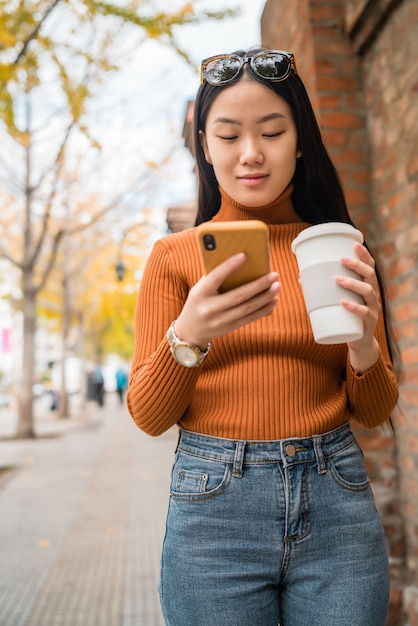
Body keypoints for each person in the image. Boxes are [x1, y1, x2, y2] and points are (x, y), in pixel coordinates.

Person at [127, 48, 399, 626]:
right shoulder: (174, 259)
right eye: (228, 136)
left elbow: (374, 411)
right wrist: (191, 334)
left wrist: (365, 342)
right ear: (205, 145)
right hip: (213, 514)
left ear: (299, 140)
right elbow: (149, 416)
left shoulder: (337, 246)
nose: (251, 154)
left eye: (272, 132)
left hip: (336, 500)